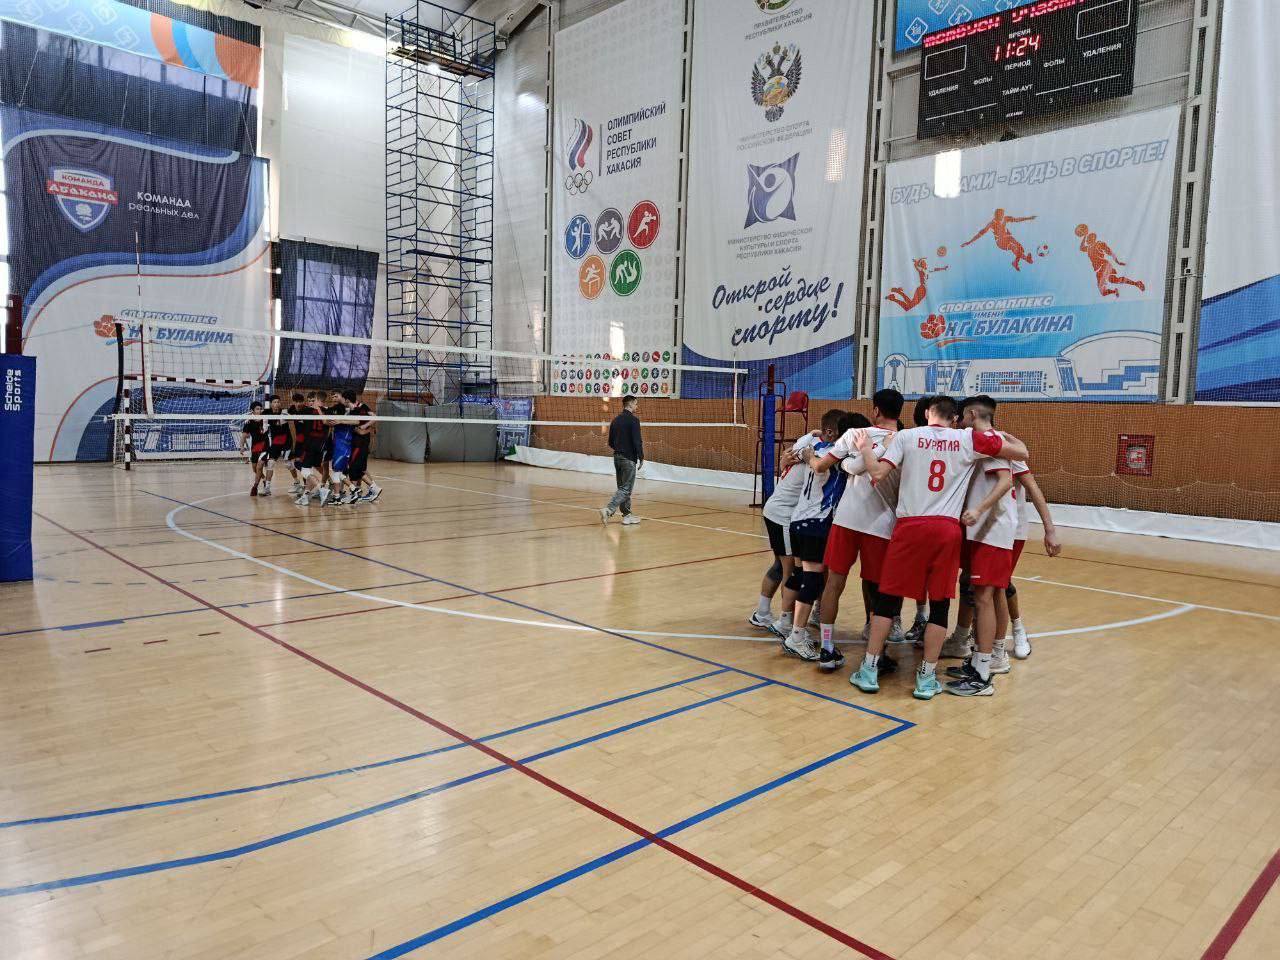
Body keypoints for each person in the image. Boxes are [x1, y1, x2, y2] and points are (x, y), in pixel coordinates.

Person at [848, 395, 1029, 700]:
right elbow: (1021, 452)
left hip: (910, 527)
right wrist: (1001, 436)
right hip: (946, 530)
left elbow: (877, 474)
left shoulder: (907, 436)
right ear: (954, 417)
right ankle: (927, 677)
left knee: (887, 601)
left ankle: (869, 669)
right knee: (940, 605)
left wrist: (865, 448)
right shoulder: (967, 439)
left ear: (928, 413)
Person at [807, 389, 907, 672]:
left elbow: (822, 465)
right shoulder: (906, 440)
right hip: (882, 524)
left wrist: (810, 455)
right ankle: (877, 653)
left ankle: (827, 648)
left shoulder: (854, 433)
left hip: (846, 519)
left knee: (834, 583)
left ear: (875, 410)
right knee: (877, 589)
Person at [943, 396, 1016, 697]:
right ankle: (977, 663)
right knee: (979, 594)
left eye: (962, 416)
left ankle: (983, 674)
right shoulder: (984, 442)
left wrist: (978, 509)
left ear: (972, 414)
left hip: (992, 531)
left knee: (984, 597)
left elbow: (1006, 481)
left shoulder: (991, 442)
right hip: (982, 531)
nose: (959, 422)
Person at [778, 409, 851, 662]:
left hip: (798, 520)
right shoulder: (837, 455)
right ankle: (796, 635)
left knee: (803, 575)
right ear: (833, 433)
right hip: (816, 522)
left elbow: (793, 454)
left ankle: (789, 625)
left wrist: (814, 435)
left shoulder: (813, 446)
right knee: (812, 579)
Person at [751, 439, 814, 631]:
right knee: (790, 571)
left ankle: (762, 613)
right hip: (783, 516)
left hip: (774, 511)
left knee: (779, 565)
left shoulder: (798, 454)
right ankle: (786, 622)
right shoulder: (813, 461)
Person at [601, 395, 643, 525]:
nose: (637, 406)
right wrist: (641, 457)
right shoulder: (634, 421)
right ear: (630, 404)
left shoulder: (615, 420)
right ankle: (608, 509)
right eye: (636, 404)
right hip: (628, 458)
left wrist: (620, 449)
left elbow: (610, 442)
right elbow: (637, 441)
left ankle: (627, 515)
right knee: (626, 489)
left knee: (622, 488)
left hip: (617, 458)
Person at [348, 394, 382, 503]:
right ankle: (362, 490)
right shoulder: (351, 409)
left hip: (361, 442)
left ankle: (372, 489)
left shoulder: (361, 407)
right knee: (361, 468)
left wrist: (364, 427)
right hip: (360, 440)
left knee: (356, 467)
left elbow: (374, 417)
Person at [264, 395, 293, 496]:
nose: (276, 404)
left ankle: (297, 482)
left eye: (278, 402)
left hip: (286, 441)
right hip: (276, 442)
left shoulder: (284, 414)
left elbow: (292, 428)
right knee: (270, 463)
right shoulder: (267, 413)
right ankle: (267, 488)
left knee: (288, 464)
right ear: (271, 404)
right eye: (274, 402)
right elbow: (257, 416)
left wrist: (293, 443)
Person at [240, 401, 269, 497]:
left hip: (265, 445)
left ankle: (255, 487)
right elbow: (244, 435)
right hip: (255, 446)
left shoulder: (265, 418)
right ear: (252, 410)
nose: (259, 410)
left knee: (259, 467)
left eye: (260, 409)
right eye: (257, 409)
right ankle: (264, 479)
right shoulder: (248, 421)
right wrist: (242, 447)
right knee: (254, 468)